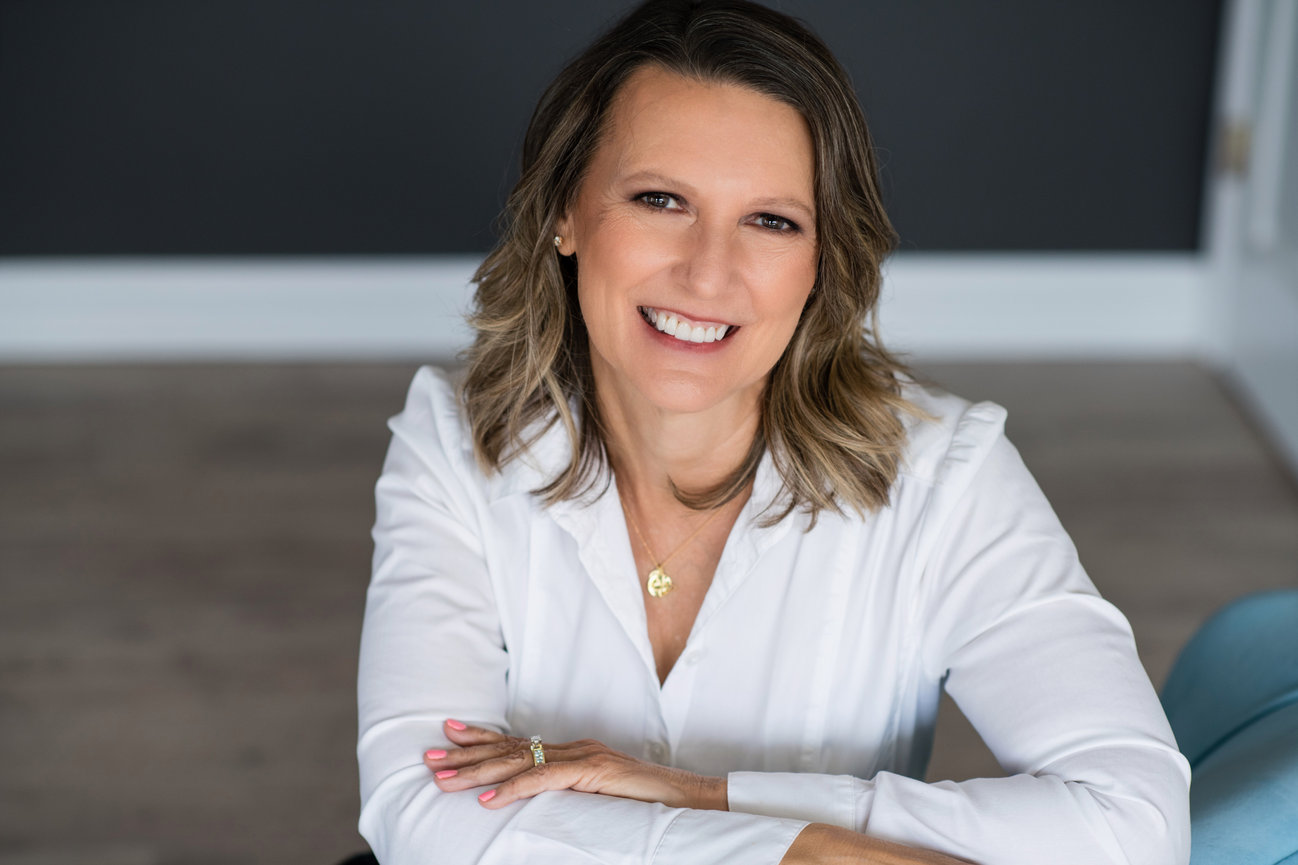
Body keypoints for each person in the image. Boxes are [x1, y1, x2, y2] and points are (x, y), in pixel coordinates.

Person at [356, 1, 1191, 862]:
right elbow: (419, 812)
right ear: (564, 213)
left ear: (825, 258)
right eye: (659, 199)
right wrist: (809, 852)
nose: (707, 271)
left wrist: (708, 794)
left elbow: (1135, 825)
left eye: (772, 220)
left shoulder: (948, 472)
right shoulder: (453, 439)